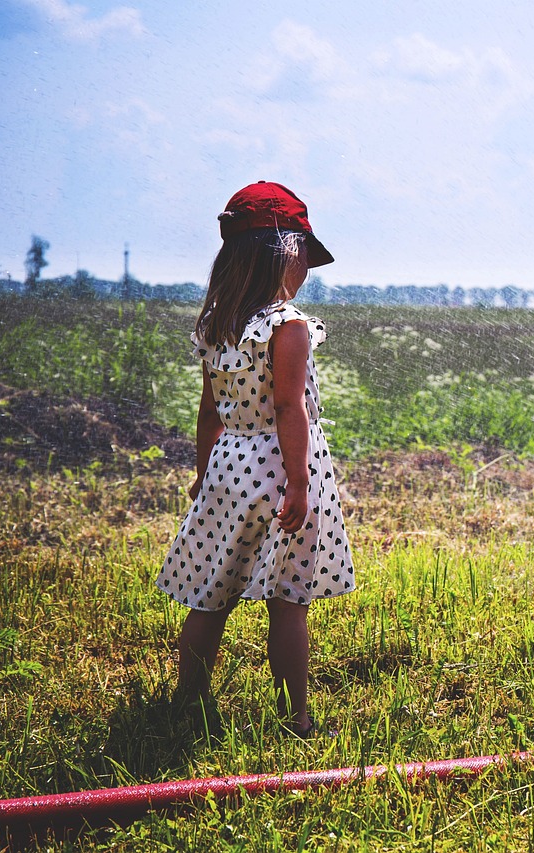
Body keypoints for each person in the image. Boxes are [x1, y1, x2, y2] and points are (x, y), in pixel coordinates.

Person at [158, 181, 354, 737]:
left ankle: (187, 702)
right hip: (279, 470)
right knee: (288, 600)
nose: (307, 272)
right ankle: (296, 718)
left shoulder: (217, 326)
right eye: (305, 259)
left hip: (228, 466)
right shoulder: (287, 327)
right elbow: (290, 409)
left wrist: (203, 477)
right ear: (285, 255)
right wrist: (299, 483)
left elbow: (207, 412)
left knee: (211, 594)